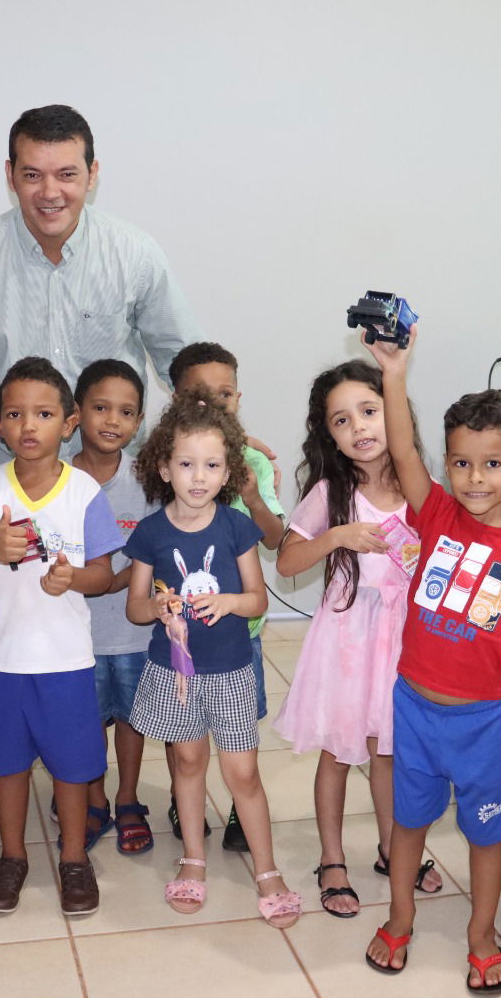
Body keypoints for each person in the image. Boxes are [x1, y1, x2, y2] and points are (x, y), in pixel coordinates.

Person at [0, 105, 201, 825]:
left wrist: (222, 443)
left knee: (109, 630)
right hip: (10, 490)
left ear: (92, 176)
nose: (50, 191)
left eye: (67, 174)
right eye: (32, 174)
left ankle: (98, 774)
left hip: (107, 482)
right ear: (10, 176)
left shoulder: (135, 253)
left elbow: (179, 359)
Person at [360, 332, 501, 993]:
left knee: (485, 834)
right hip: (415, 706)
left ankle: (482, 935)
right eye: (461, 464)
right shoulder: (437, 511)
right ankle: (399, 919)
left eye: (492, 465)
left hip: (482, 721)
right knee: (408, 823)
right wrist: (393, 373)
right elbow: (401, 448)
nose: (475, 479)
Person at [272, 360, 444, 919]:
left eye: (369, 411)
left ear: (393, 413)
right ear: (331, 435)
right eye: (342, 421)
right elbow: (288, 558)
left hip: (403, 638)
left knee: (387, 750)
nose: (360, 428)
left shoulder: (422, 489)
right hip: (347, 636)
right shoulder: (331, 491)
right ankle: (331, 859)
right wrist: (339, 535)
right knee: (338, 751)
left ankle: (395, 847)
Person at [125, 390, 301, 929]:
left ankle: (267, 869)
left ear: (229, 472)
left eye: (211, 465)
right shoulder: (151, 533)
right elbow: (134, 608)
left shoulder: (235, 526)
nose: (198, 477)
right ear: (164, 467)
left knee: (242, 772)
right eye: (185, 464)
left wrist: (228, 603)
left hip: (229, 672)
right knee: (187, 764)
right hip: (175, 675)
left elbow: (258, 599)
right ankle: (193, 859)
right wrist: (156, 606)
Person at [0, 358, 120, 916]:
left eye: (43, 414)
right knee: (7, 766)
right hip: (0, 659)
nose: (29, 425)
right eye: (16, 414)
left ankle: (74, 858)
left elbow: (103, 573)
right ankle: (14, 856)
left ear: (68, 423)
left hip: (65, 660)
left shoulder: (85, 493)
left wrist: (74, 577)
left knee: (73, 768)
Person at [168, 342, 285, 851]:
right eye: (199, 395)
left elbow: (276, 537)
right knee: (185, 728)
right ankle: (184, 797)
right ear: (176, 399)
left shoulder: (254, 461)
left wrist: (254, 492)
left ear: (238, 397)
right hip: (181, 631)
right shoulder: (167, 456)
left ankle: (243, 806)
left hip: (243, 628)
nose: (214, 404)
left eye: (224, 394)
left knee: (240, 727)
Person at [70, 359, 159, 855]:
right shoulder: (59, 478)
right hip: (75, 636)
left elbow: (154, 544)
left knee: (131, 719)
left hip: (132, 632)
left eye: (126, 412)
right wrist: (97, 581)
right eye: (100, 407)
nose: (111, 420)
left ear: (139, 420)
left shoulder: (145, 479)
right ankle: (95, 801)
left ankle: (127, 799)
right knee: (85, 724)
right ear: (76, 413)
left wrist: (114, 581)